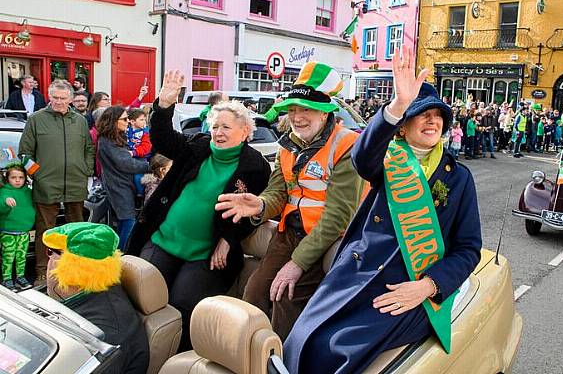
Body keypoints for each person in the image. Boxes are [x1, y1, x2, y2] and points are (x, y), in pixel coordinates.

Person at [283, 46, 483, 374]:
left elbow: (468, 249)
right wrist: (396, 107)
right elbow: (363, 157)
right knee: (304, 338)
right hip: (358, 272)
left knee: (337, 353)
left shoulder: (459, 177)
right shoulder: (388, 159)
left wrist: (429, 286)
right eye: (422, 113)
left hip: (409, 287)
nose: (432, 119)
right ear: (402, 127)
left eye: (438, 115)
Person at [215, 61, 365, 340]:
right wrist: (259, 205)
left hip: (327, 240)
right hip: (288, 235)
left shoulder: (347, 144)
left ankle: (283, 362)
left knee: (286, 298)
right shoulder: (288, 146)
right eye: (293, 109)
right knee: (255, 292)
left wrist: (296, 263)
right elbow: (278, 193)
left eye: (306, 109)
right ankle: (251, 357)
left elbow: (338, 217)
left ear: (325, 112)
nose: (297, 117)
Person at [127, 70, 271, 351]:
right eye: (215, 126)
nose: (218, 132)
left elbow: (249, 212)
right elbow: (164, 140)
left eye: (226, 127)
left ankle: (175, 361)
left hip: (206, 254)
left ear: (245, 132)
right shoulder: (198, 146)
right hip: (164, 239)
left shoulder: (255, 166)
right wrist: (164, 105)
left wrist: (228, 240)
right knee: (141, 296)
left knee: (184, 307)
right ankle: (134, 353)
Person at [44, 222, 149, 374]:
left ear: (71, 266)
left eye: (49, 252)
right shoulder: (95, 293)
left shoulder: (104, 334)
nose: (47, 261)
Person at [18, 80, 95, 282]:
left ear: (70, 98)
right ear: (49, 96)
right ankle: (43, 272)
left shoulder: (80, 121)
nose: (58, 102)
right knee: (46, 230)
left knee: (77, 228)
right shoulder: (35, 119)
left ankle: (75, 267)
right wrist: (37, 175)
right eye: (55, 97)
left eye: (62, 98)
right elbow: (24, 155)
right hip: (46, 185)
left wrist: (86, 169)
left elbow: (88, 148)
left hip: (76, 183)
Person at [96, 106, 150, 249]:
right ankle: (122, 255)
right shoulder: (107, 140)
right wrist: (150, 166)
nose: (128, 122)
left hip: (122, 183)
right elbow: (126, 164)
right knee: (128, 220)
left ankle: (119, 254)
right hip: (118, 185)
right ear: (114, 121)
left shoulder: (116, 137)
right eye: (125, 119)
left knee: (123, 221)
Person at [0, 163, 35, 291]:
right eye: (13, 178)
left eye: (20, 177)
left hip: (24, 232)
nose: (17, 180)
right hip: (8, 232)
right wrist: (6, 201)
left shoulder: (29, 192)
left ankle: (20, 277)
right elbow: (1, 206)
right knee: (8, 256)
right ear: (7, 179)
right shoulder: (4, 191)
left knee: (21, 256)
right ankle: (7, 279)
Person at [127, 109, 152, 196]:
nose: (144, 122)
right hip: (126, 158)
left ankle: (140, 195)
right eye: (141, 120)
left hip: (140, 159)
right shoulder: (126, 129)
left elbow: (146, 147)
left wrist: (134, 153)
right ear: (132, 121)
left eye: (145, 119)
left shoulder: (145, 132)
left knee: (138, 178)